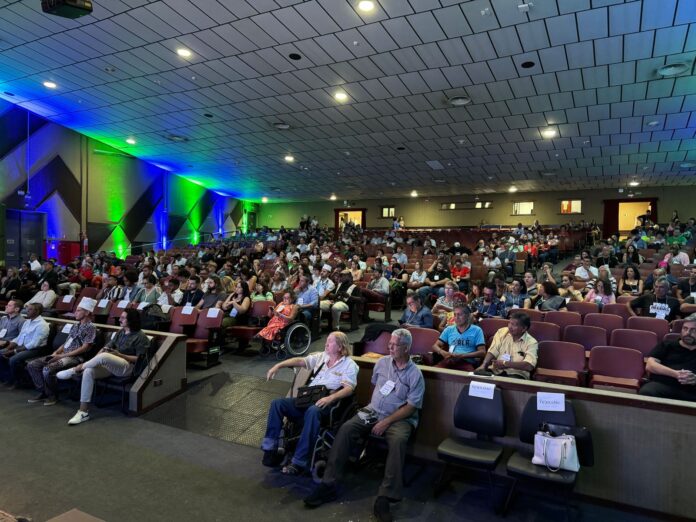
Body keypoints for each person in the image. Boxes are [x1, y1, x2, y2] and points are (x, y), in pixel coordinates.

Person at [304, 329, 425, 522]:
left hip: (399, 419)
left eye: (395, 345)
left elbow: (411, 407)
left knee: (398, 441)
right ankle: (328, 484)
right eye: (390, 343)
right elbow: (375, 386)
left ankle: (386, 497)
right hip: (373, 411)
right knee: (346, 429)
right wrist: (377, 411)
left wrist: (386, 421)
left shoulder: (415, 374)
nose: (390, 347)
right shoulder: (382, 363)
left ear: (406, 348)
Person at [262, 332, 359, 475]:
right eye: (326, 340)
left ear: (340, 347)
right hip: (308, 398)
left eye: (330, 341)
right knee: (277, 404)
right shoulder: (322, 357)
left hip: (327, 404)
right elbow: (300, 361)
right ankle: (270, 450)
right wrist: (278, 365)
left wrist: (330, 398)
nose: (326, 344)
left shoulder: (349, 365)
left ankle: (299, 461)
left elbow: (349, 389)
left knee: (313, 411)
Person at [56, 308, 150, 424]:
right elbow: (106, 347)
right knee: (89, 371)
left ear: (131, 320)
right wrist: (94, 360)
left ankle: (76, 369)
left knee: (104, 356)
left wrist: (120, 355)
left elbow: (140, 359)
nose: (119, 319)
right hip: (112, 365)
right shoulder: (121, 332)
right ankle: (83, 411)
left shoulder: (141, 337)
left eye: (123, 318)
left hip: (128, 368)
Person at [26, 297, 98, 406]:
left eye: (79, 310)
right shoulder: (76, 325)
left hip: (75, 358)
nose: (75, 312)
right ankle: (44, 392)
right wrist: (56, 352)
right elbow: (67, 342)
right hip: (63, 354)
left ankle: (53, 395)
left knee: (47, 369)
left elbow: (85, 347)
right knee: (32, 365)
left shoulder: (91, 327)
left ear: (87, 313)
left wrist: (62, 356)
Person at [639, 314, 696, 401]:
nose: (688, 333)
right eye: (685, 328)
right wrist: (676, 374)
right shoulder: (667, 345)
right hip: (664, 385)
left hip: (692, 391)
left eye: (693, 330)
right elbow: (650, 365)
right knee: (647, 391)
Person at [0, 303, 50, 388]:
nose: (27, 311)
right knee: (1, 353)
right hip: (23, 347)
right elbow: (19, 337)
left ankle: (18, 382)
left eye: (30, 309)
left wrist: (14, 351)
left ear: (37, 311)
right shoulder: (27, 322)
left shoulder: (42, 325)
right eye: (27, 309)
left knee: (13, 360)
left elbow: (34, 344)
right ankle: (8, 378)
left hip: (36, 349)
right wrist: (8, 348)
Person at [475, 312, 538, 379]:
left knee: (507, 382)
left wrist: (505, 363)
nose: (510, 327)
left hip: (517, 374)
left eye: (514, 325)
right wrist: (484, 365)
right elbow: (493, 350)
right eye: (509, 323)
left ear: (524, 328)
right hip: (496, 370)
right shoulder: (501, 332)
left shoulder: (532, 342)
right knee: (478, 378)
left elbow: (529, 366)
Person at [432, 304, 486, 371]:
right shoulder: (449, 329)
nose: (456, 317)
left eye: (459, 315)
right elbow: (435, 346)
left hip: (467, 362)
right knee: (433, 372)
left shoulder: (477, 330)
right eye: (455, 315)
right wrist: (442, 352)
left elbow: (482, 352)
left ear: (467, 316)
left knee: (466, 375)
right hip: (450, 360)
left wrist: (462, 355)